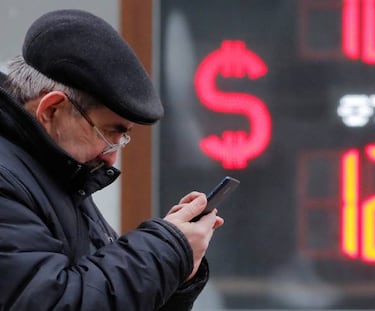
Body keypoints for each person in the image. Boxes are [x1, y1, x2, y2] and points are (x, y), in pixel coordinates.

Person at [0, 9, 224, 311]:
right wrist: (166, 250)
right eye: (108, 133)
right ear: (52, 110)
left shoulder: (54, 171)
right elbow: (54, 303)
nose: (112, 157)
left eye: (123, 137)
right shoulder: (9, 179)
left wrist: (179, 268)